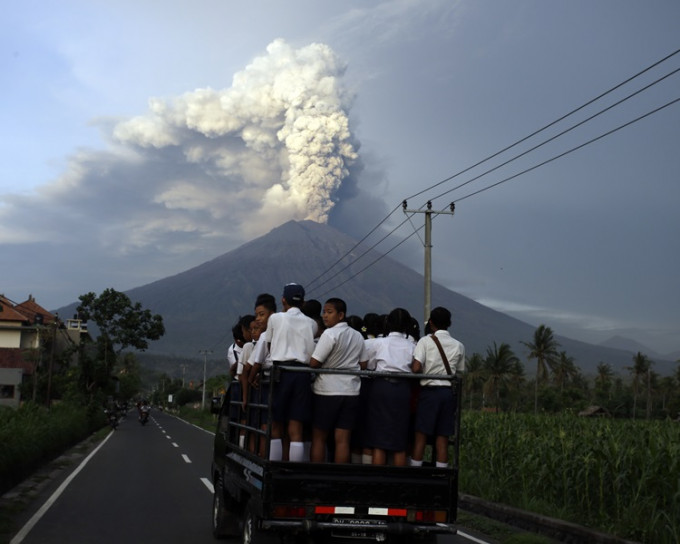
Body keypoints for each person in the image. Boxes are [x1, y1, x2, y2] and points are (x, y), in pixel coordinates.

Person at [253, 283, 317, 462]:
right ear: (303, 302)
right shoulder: (312, 323)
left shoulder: (276, 319)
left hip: (281, 373)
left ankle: (273, 468)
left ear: (283, 300)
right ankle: (295, 470)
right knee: (296, 428)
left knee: (276, 426)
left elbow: (269, 344)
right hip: (303, 374)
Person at [309, 298, 366, 463]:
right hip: (351, 391)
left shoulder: (329, 334)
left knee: (319, 436)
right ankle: (339, 478)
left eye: (329, 312)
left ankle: (315, 475)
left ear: (341, 315)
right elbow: (364, 364)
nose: (325, 316)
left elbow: (314, 363)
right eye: (324, 312)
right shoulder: (357, 335)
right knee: (343, 439)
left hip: (327, 390)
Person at [410, 306, 465, 468]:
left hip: (429, 393)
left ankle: (416, 474)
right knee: (442, 438)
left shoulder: (425, 341)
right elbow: (460, 371)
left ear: (431, 323)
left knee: (420, 436)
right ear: (449, 323)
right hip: (448, 394)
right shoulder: (458, 345)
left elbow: (416, 368)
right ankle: (442, 476)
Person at [364, 308, 415, 466]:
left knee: (379, 437)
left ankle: (377, 482)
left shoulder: (379, 343)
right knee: (399, 438)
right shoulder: (413, 345)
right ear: (407, 325)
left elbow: (370, 365)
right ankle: (399, 484)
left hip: (381, 387)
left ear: (388, 323)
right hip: (403, 389)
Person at [244, 293, 277, 456]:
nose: (258, 319)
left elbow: (253, 364)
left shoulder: (266, 335)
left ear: (272, 313)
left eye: (261, 314)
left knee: (264, 426)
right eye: (257, 315)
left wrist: (250, 380)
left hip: (268, 385)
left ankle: (262, 461)